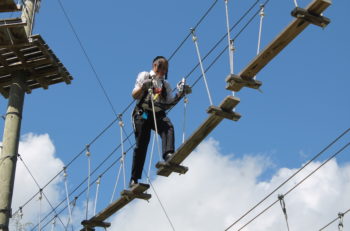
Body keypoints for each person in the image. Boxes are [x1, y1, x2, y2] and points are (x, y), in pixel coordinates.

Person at [130, 56, 191, 188]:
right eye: (160, 66)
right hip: (144, 114)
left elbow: (169, 103)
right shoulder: (145, 75)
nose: (162, 70)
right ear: (154, 65)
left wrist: (180, 94)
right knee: (142, 143)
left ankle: (168, 154)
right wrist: (143, 87)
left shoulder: (165, 85)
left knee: (167, 126)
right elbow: (134, 94)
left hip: (156, 114)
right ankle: (134, 179)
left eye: (165, 68)